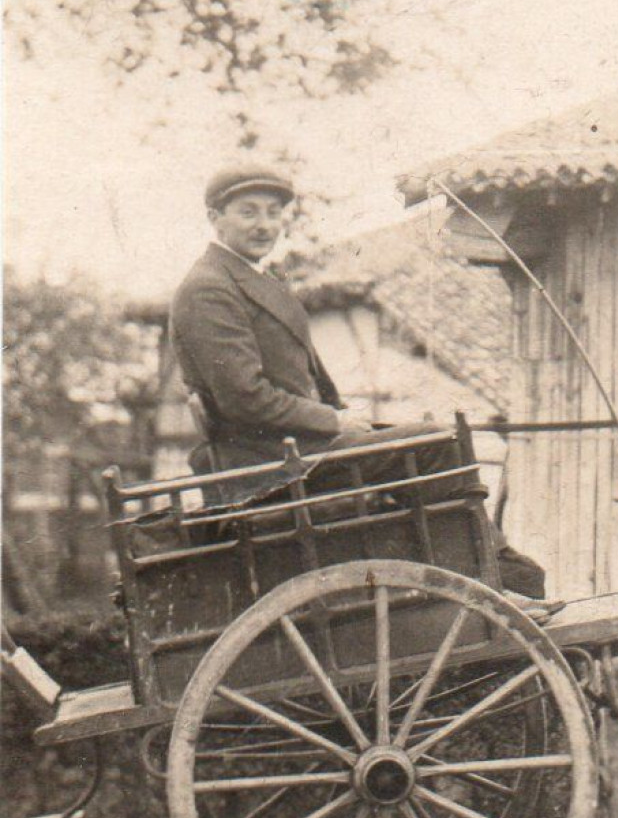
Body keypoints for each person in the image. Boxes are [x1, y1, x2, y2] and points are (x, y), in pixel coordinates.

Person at [170, 164, 551, 602]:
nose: (264, 225)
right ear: (215, 217)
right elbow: (244, 399)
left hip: (296, 450)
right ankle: (487, 581)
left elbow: (304, 381)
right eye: (248, 212)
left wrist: (350, 419)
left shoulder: (254, 279)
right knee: (433, 445)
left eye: (273, 213)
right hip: (266, 464)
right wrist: (333, 422)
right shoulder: (208, 288)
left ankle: (495, 568)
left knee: (430, 438)